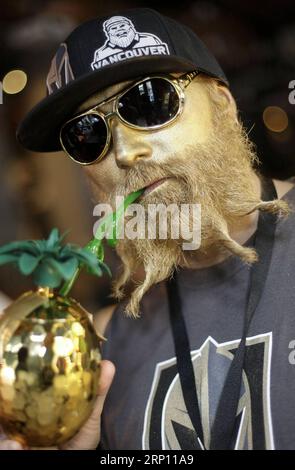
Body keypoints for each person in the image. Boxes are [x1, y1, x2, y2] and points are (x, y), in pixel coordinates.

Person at [4, 7, 295, 450]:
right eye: (88, 134)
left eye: (148, 102)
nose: (124, 151)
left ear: (222, 104)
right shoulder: (103, 350)